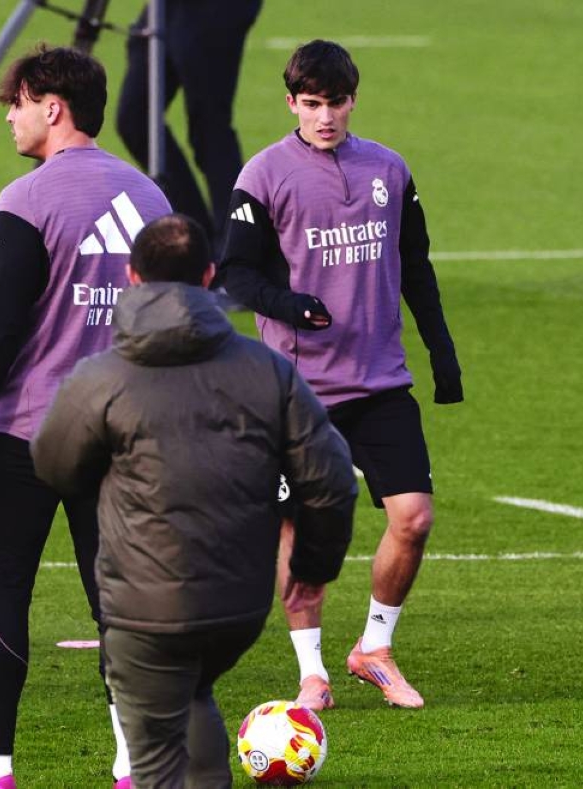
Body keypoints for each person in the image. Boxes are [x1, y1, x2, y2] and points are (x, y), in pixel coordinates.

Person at [30, 214, 358, 788]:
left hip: (144, 607)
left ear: (132, 277)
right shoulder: (268, 370)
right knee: (192, 694)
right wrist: (311, 570)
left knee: (157, 760)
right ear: (209, 276)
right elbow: (331, 481)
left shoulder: (101, 377)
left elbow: (53, 465)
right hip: (237, 605)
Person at [0, 45, 171, 789]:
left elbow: (1, 328)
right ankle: (133, 767)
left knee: (3, 595)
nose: (8, 117)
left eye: (16, 103)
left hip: (26, 434)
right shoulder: (151, 198)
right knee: (120, 608)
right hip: (122, 436)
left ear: (52, 106)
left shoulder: (26, 199)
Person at [219, 39, 463, 711]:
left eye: (336, 102)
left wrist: (441, 351)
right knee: (301, 534)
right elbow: (236, 272)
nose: (324, 117)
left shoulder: (389, 168)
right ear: (291, 103)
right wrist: (287, 304)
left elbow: (416, 266)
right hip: (298, 393)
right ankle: (312, 673)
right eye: (312, 104)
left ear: (354, 99)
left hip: (381, 382)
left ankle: (373, 649)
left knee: (414, 518)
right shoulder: (263, 175)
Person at [116, 0, 263, 242]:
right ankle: (195, 238)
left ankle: (236, 245)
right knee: (135, 119)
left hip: (214, 8)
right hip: (166, 7)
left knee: (209, 127)